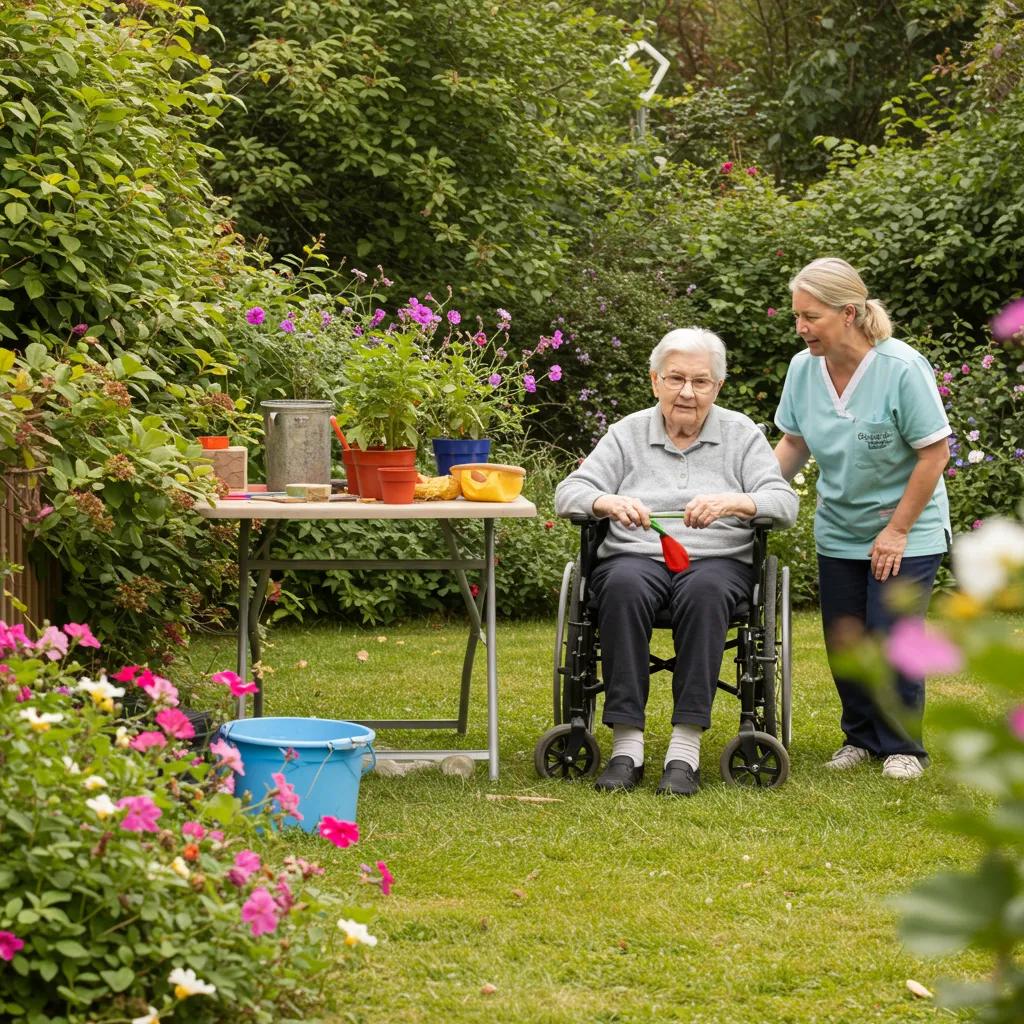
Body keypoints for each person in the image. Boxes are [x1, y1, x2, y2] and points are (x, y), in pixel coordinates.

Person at [554, 327, 798, 795]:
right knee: (622, 586)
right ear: (655, 381)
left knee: (705, 593)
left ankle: (684, 750)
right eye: (676, 379)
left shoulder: (740, 434)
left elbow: (783, 503)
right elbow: (570, 492)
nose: (687, 392)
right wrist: (606, 503)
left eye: (701, 381)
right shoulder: (626, 434)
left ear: (717, 387)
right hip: (635, 556)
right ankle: (627, 746)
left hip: (715, 561)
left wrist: (735, 502)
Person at [773, 257, 951, 780]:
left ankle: (902, 747)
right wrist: (752, 494)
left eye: (812, 317)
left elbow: (934, 454)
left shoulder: (900, 367)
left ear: (848, 313)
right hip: (840, 530)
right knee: (847, 638)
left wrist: (896, 531)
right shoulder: (803, 368)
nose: (802, 327)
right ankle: (860, 739)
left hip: (908, 529)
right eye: (797, 317)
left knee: (890, 634)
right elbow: (793, 442)